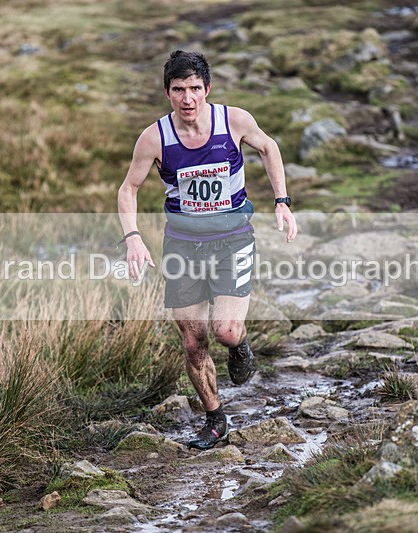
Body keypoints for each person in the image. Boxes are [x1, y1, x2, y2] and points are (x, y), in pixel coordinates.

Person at [117, 50, 297, 450]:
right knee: (194, 342)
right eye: (178, 89)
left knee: (226, 331)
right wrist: (132, 238)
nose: (187, 98)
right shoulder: (154, 138)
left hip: (232, 238)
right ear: (167, 92)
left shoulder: (234, 121)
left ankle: (240, 345)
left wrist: (282, 201)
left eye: (195, 88)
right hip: (182, 244)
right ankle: (216, 419)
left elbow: (269, 148)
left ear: (207, 89)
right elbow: (128, 188)